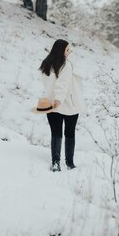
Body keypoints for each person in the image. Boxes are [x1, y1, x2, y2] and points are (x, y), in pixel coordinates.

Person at [38, 39, 86, 172]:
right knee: (69, 133)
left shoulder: (46, 64)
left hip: (50, 103)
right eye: (67, 50)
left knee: (56, 133)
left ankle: (56, 163)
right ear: (61, 50)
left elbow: (49, 84)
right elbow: (62, 83)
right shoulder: (65, 65)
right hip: (68, 104)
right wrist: (59, 98)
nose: (69, 52)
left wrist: (53, 98)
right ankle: (69, 163)